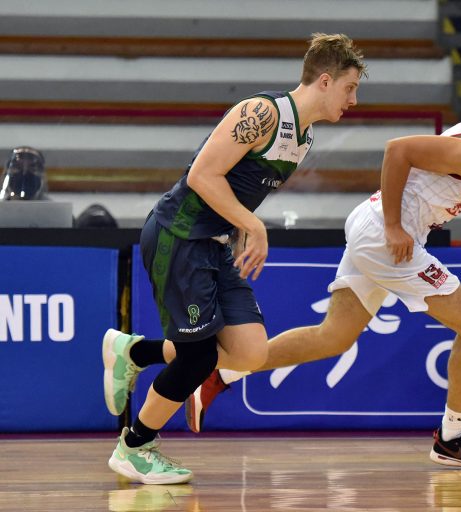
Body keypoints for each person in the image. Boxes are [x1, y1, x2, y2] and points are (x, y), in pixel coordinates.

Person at [185, 76, 461, 471]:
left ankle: (223, 371)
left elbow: (459, 180)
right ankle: (453, 437)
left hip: (372, 228)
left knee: (332, 337)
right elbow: (398, 151)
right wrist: (393, 226)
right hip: (386, 238)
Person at [102, 33, 367, 484]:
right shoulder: (262, 113)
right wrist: (254, 225)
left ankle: (133, 350)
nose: (354, 101)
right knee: (198, 358)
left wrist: (241, 228)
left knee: (249, 352)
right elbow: (202, 175)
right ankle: (135, 446)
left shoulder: (302, 139)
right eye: (350, 88)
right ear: (325, 81)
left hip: (214, 245)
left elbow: (238, 191)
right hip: (178, 235)